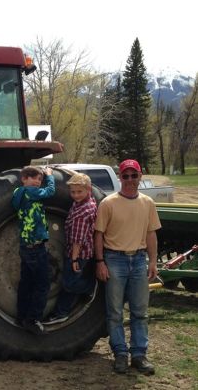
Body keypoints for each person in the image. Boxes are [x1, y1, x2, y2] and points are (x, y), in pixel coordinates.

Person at [94, 159, 160, 375]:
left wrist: (152, 261)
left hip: (139, 259)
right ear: (120, 178)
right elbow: (98, 234)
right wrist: (100, 262)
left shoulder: (148, 203)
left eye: (134, 175)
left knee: (140, 312)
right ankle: (120, 354)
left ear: (140, 176)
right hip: (115, 259)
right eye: (126, 176)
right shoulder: (108, 203)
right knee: (114, 312)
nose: (130, 180)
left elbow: (151, 233)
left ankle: (139, 355)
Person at [44, 173, 97, 324]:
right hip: (80, 251)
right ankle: (63, 311)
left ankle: (89, 287)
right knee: (71, 281)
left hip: (78, 253)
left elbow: (77, 240)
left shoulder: (83, 212)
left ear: (88, 189)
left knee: (69, 283)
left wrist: (74, 259)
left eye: (79, 192)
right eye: (73, 192)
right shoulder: (84, 202)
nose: (75, 195)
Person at [11, 165, 55, 334]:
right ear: (24, 179)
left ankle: (21, 316)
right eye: (34, 178)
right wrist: (49, 176)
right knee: (42, 284)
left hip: (25, 246)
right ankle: (33, 319)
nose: (37, 182)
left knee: (27, 283)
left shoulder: (18, 193)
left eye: (40, 179)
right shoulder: (30, 192)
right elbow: (50, 192)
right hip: (36, 247)